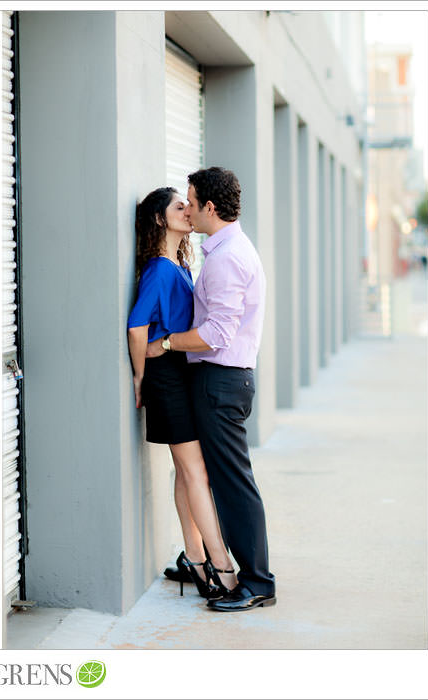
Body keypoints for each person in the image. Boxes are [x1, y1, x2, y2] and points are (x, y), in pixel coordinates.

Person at [147, 166, 275, 612]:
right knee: (197, 474)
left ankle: (256, 582)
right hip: (217, 380)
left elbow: (217, 332)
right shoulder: (225, 250)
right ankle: (197, 558)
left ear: (210, 208)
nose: (187, 206)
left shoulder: (225, 259)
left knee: (232, 483)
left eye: (191, 199)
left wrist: (163, 343)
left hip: (221, 381)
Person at [128, 186, 238, 600]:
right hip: (166, 376)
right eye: (180, 206)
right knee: (196, 473)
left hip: (181, 372)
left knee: (186, 471)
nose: (189, 210)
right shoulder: (158, 268)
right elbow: (137, 327)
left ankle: (193, 556)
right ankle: (219, 566)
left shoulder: (179, 265)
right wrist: (140, 377)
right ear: (160, 218)